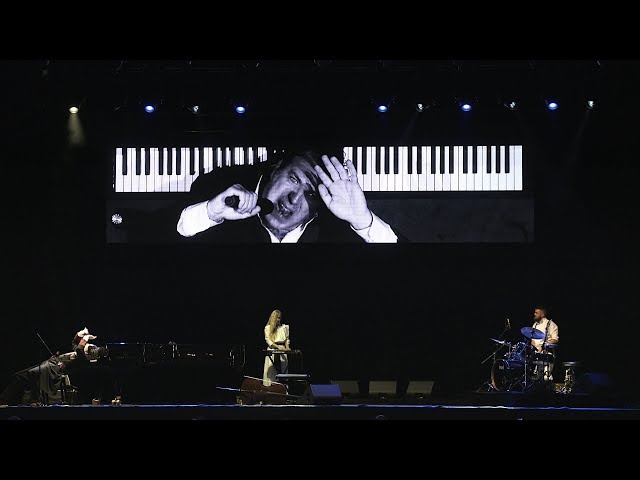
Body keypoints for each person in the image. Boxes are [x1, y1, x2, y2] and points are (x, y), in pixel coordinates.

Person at [176, 149, 400, 243]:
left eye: (311, 193)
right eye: (293, 179)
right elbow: (157, 234)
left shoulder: (336, 228)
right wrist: (209, 214)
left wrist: (362, 221)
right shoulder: (217, 187)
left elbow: (410, 269)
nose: (293, 200)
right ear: (275, 168)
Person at [0, 328, 117, 406]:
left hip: (54, 369)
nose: (90, 347)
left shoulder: (85, 359)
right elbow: (75, 344)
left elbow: (79, 349)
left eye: (92, 348)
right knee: (19, 376)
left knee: (33, 373)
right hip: (51, 362)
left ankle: (35, 400)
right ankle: (2, 400)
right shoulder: (80, 352)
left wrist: (84, 340)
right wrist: (80, 335)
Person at [529, 306, 559, 382]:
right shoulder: (535, 325)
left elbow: (555, 339)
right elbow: (532, 340)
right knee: (535, 377)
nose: (534, 314)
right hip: (536, 354)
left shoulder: (551, 324)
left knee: (546, 377)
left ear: (542, 315)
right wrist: (533, 348)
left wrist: (543, 346)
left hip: (547, 354)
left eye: (536, 313)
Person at [262, 309, 290, 386]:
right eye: (277, 318)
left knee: (283, 370)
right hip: (273, 351)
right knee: (272, 372)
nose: (279, 320)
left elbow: (287, 339)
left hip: (282, 351)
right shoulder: (268, 328)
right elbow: (268, 341)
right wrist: (278, 347)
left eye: (280, 318)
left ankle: (283, 390)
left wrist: (287, 347)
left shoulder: (284, 327)